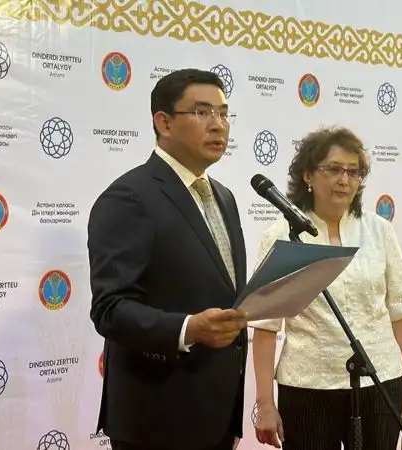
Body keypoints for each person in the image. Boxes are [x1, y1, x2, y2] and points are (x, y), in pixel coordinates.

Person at [87, 69, 249, 450]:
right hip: (157, 418)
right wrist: (188, 329)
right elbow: (110, 309)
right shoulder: (129, 197)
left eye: (224, 113)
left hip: (218, 414)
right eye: (202, 112)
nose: (218, 125)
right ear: (164, 122)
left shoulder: (224, 197)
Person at [251, 126, 402, 450]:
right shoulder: (282, 236)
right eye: (333, 169)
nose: (344, 180)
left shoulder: (379, 231)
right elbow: (265, 327)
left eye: (353, 172)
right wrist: (265, 403)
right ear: (308, 175)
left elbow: (400, 313)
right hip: (308, 388)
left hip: (380, 381)